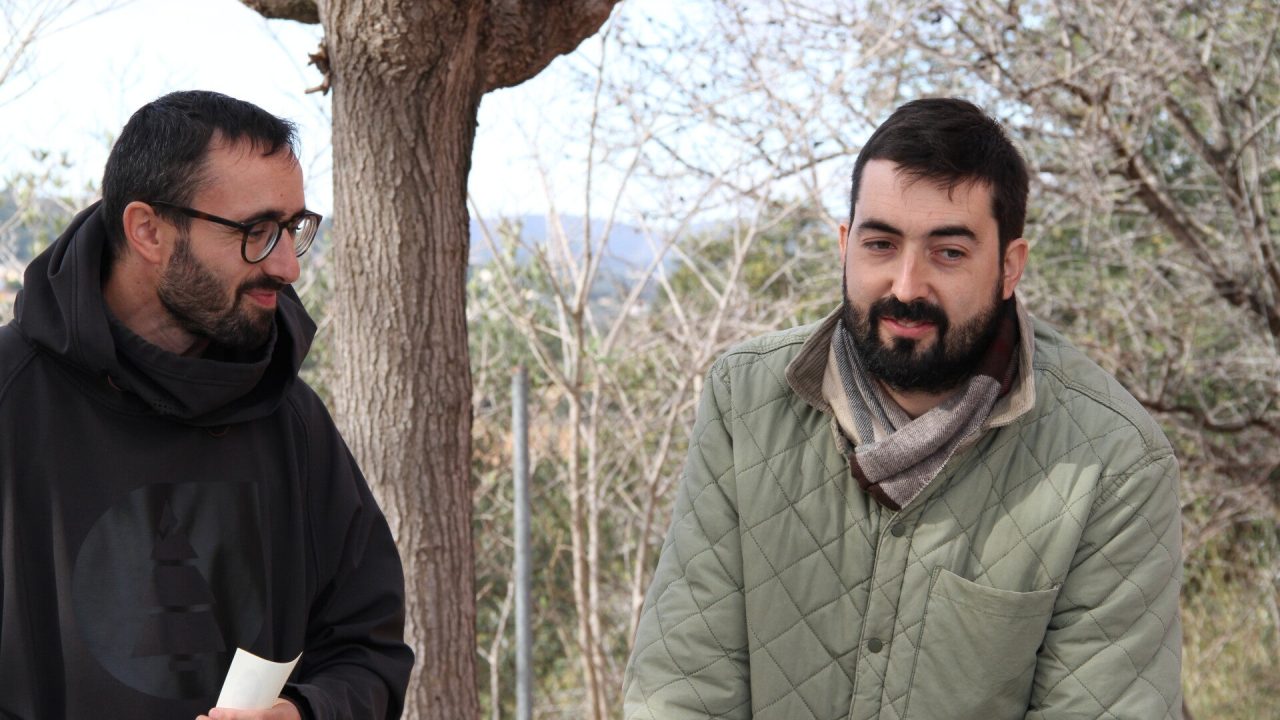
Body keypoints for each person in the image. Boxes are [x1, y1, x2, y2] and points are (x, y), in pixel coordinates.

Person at [622, 98, 1183, 720]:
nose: (907, 285)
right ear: (846, 247)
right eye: (881, 244)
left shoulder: (1114, 461)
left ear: (1009, 267)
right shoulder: (746, 399)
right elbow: (683, 684)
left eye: (949, 252)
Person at [0, 91, 413, 719]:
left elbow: (368, 649)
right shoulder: (10, 401)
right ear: (148, 231)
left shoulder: (290, 418)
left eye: (293, 229)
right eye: (256, 231)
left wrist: (304, 714)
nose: (287, 266)